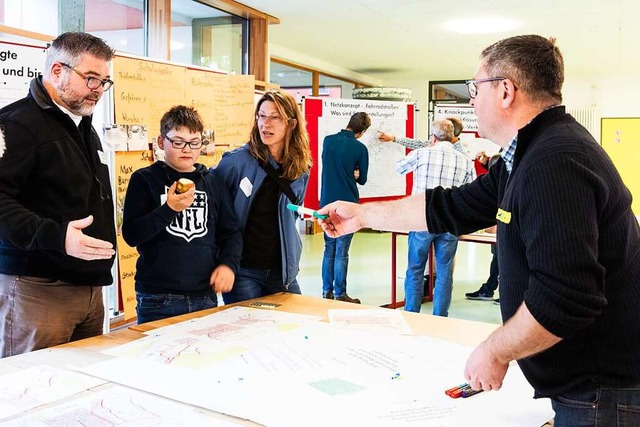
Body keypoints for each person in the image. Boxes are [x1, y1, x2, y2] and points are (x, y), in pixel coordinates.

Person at [318, 34, 640, 426]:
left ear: (506, 91)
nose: (470, 99)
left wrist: (495, 351)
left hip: (602, 392)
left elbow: (566, 297)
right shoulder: (526, 155)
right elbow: (449, 207)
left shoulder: (554, 161)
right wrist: (362, 215)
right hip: (588, 385)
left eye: (475, 87)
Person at [0, 32, 117, 357]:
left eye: (104, 81)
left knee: (80, 394)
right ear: (56, 71)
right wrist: (58, 237)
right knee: (31, 394)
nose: (98, 89)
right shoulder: (16, 124)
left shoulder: (82, 125)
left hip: (90, 288)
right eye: (90, 78)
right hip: (38, 290)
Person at [122, 106, 242, 324]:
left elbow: (231, 232)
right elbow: (131, 234)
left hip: (203, 295)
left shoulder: (213, 182)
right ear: (161, 142)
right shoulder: (144, 179)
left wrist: (228, 265)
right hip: (157, 297)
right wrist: (169, 209)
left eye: (194, 142)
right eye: (178, 142)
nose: (187, 149)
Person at [213, 90, 312, 304]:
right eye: (261, 115)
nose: (265, 123)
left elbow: (293, 213)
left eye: (275, 117)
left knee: (294, 326)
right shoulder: (236, 162)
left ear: (291, 123)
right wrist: (223, 261)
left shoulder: (301, 168)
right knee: (249, 333)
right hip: (243, 271)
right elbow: (213, 209)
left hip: (283, 271)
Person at [395, 119, 475, 316]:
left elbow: (399, 168)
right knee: (445, 272)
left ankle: (411, 313)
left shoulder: (423, 153)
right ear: (454, 137)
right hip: (450, 221)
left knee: (415, 268)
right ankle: (440, 316)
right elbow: (470, 190)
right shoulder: (464, 160)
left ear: (433, 137)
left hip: (422, 219)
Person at [320, 112, 370, 304]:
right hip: (347, 204)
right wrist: (355, 174)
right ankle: (340, 293)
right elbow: (363, 179)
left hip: (326, 202)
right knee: (342, 251)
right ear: (362, 132)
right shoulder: (360, 148)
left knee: (328, 249)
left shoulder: (328, 141)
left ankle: (326, 292)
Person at [377, 116, 467, 155]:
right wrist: (394, 138)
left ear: (453, 132)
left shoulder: (461, 155)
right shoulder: (436, 143)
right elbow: (417, 144)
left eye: (445, 129)